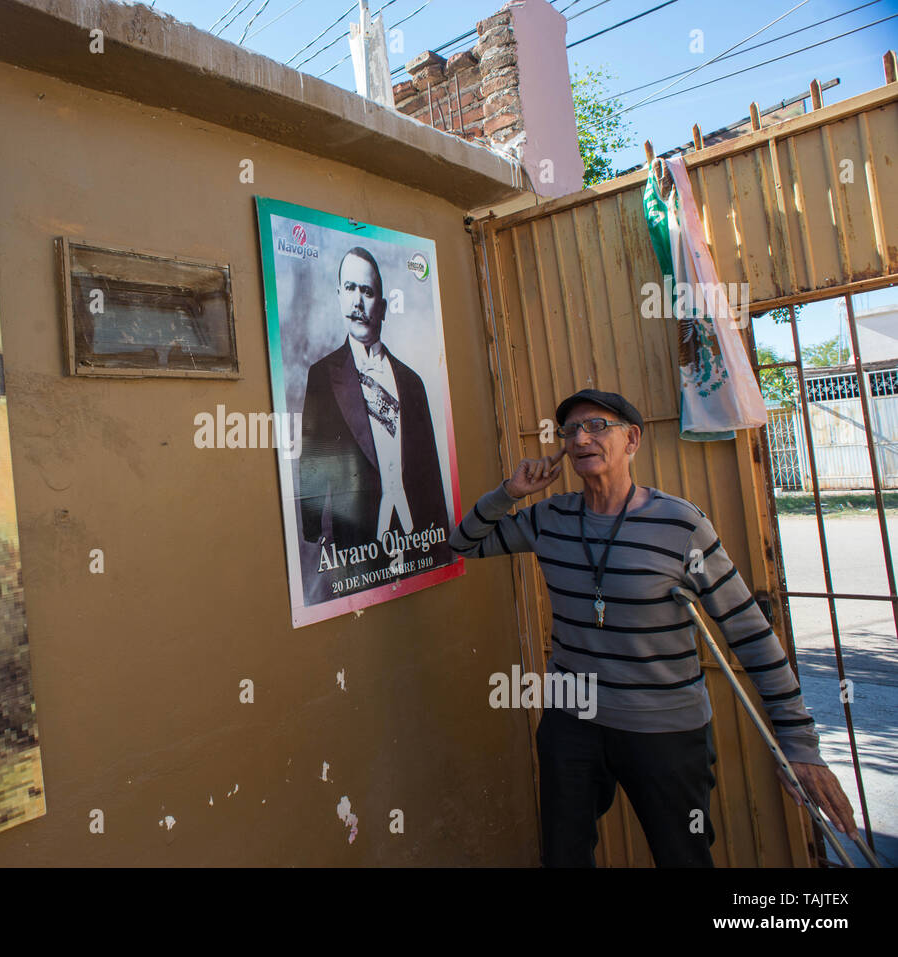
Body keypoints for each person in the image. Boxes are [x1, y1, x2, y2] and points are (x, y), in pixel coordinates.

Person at [449, 388, 859, 867]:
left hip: (665, 730)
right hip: (571, 723)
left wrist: (799, 744)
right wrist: (510, 493)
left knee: (682, 855)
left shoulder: (680, 525)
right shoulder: (548, 519)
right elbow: (464, 545)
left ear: (632, 440)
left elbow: (749, 633)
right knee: (563, 856)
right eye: (570, 430)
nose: (581, 437)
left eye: (598, 426)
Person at [298, 247, 450, 565]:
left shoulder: (412, 382)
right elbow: (313, 459)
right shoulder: (323, 376)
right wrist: (313, 530)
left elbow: (429, 472)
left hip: (416, 535)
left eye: (367, 291)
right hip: (358, 540)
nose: (357, 302)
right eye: (350, 289)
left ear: (382, 306)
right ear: (339, 295)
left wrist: (440, 544)